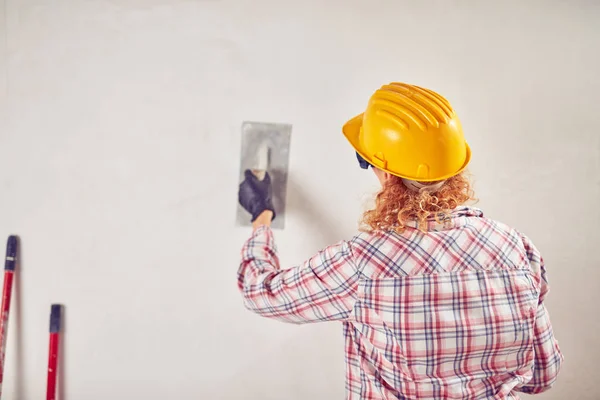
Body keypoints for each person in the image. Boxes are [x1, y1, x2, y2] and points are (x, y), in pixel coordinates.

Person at [237, 82, 563, 399]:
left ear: (388, 175)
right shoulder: (516, 248)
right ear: (455, 166)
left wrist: (261, 217)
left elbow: (260, 293)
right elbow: (542, 376)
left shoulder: (364, 262)